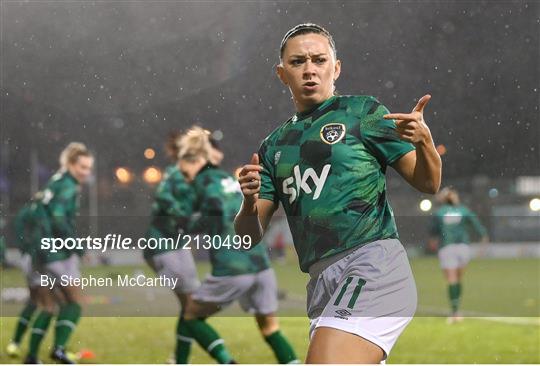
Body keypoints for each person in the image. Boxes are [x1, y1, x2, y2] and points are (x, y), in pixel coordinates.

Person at [234, 23, 442, 363]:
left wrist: (425, 141)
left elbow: (429, 183)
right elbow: (247, 237)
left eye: (319, 59)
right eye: (298, 62)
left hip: (372, 265)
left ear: (336, 67)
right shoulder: (273, 147)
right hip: (321, 282)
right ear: (281, 73)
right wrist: (247, 202)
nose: (310, 69)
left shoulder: (363, 113)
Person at [176, 127, 298, 364]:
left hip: (233, 267)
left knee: (190, 315)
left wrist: (184, 226)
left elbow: (205, 215)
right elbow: (232, 212)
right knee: (270, 328)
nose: (183, 170)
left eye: (185, 163)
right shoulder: (226, 179)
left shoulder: (202, 183)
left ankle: (226, 362)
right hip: (260, 264)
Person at [24, 142, 94, 364]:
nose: (85, 173)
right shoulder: (67, 186)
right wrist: (78, 247)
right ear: (71, 164)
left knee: (49, 305)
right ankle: (59, 349)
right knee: (75, 302)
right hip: (56, 252)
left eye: (88, 168)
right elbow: (58, 219)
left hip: (41, 251)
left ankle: (32, 356)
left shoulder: (54, 181)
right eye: (82, 167)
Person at [143, 131, 201, 361]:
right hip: (164, 246)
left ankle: (179, 358)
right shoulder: (177, 174)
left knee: (190, 306)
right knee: (192, 307)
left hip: (173, 244)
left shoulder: (187, 175)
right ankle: (184, 358)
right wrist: (189, 217)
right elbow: (167, 201)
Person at [428, 187, 488, 323]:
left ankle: (454, 312)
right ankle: (457, 310)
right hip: (463, 247)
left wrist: (432, 241)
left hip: (447, 247)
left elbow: (433, 231)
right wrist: (483, 236)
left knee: (451, 279)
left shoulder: (440, 212)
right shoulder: (463, 210)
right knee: (459, 279)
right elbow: (476, 224)